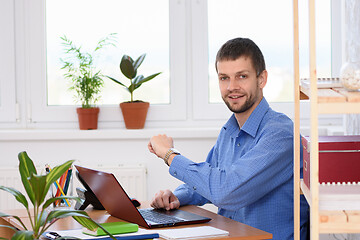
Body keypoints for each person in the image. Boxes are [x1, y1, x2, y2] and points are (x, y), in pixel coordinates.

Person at [148, 37, 309, 240]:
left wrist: (169, 154)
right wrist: (176, 197)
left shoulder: (280, 134)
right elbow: (208, 184)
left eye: (241, 76)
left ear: (262, 79)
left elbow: (225, 190)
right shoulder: (229, 130)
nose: (232, 86)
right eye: (224, 78)